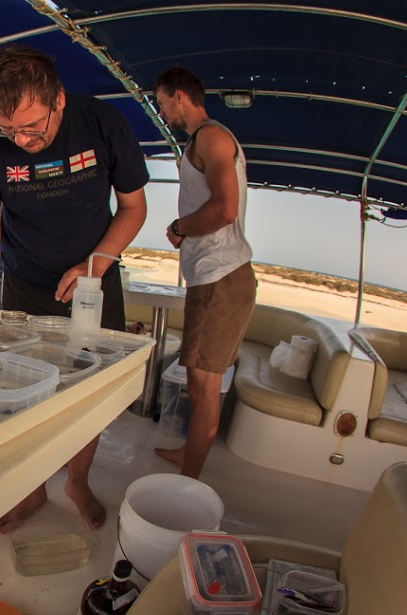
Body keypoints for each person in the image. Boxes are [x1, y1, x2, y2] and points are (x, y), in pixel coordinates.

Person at [0, 44, 149, 532]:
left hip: (95, 282)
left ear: (58, 99)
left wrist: (97, 262)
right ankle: (34, 489)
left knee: (88, 394)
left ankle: (77, 481)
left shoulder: (103, 123)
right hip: (25, 282)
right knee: (25, 396)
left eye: (32, 126)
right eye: (8, 128)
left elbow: (133, 207)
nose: (20, 140)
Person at [152, 66, 257, 479]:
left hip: (222, 276)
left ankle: (188, 482)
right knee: (197, 380)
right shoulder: (201, 140)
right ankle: (188, 454)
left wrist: (179, 228)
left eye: (162, 103)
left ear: (180, 97)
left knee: (205, 383)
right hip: (212, 278)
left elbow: (224, 209)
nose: (162, 112)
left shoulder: (212, 136)